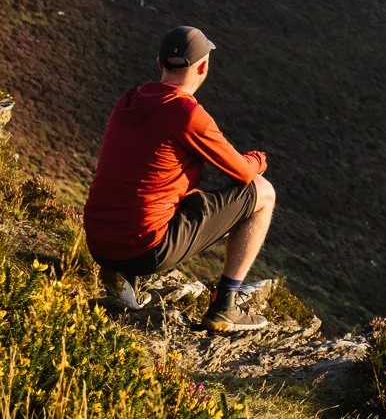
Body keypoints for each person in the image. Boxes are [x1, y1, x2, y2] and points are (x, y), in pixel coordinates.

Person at [83, 26, 275, 333]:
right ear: (203, 67)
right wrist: (259, 159)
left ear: (159, 64)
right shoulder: (186, 113)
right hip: (146, 248)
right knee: (263, 193)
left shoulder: (130, 99)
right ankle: (226, 305)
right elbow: (242, 172)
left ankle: (122, 274)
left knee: (166, 191)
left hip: (98, 240)